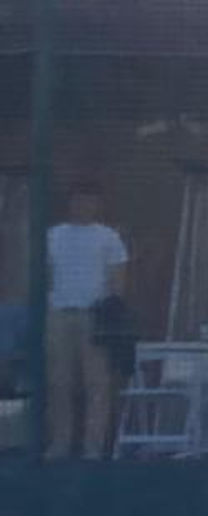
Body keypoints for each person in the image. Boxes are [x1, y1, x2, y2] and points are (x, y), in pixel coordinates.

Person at [44, 182, 128, 458]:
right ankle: (60, 444)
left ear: (98, 204)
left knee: (96, 383)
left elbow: (118, 278)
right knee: (59, 382)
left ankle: (93, 447)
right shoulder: (52, 236)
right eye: (78, 200)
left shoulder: (108, 237)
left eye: (89, 200)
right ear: (70, 203)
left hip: (94, 315)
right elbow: (42, 274)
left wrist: (111, 311)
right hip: (58, 314)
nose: (83, 206)